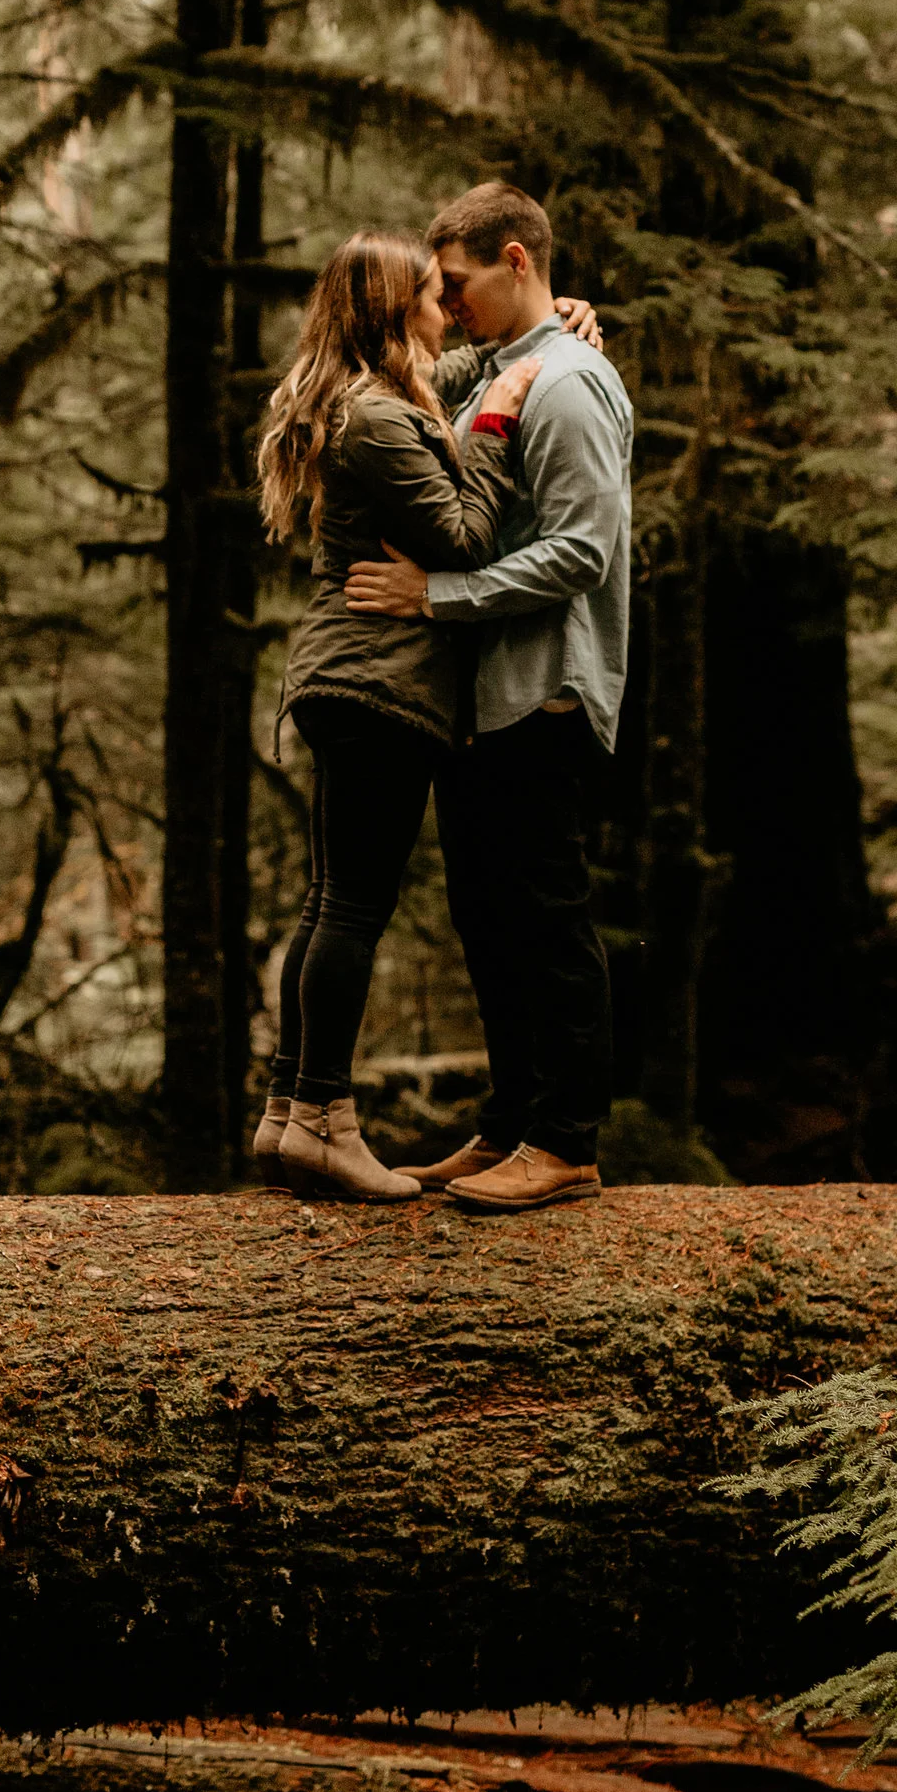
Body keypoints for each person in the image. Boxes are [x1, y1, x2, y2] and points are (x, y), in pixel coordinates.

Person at [344, 180, 631, 1213]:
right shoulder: (495, 373)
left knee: (544, 912)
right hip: (480, 696)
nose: (446, 301)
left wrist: (439, 596)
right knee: (487, 914)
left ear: (516, 261)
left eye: (458, 282)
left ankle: (567, 1140)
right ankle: (514, 1123)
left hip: (543, 688)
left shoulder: (565, 381)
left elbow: (585, 549)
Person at [254, 232, 546, 1201]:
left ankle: (288, 1114)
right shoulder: (378, 421)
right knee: (350, 905)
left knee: (330, 899)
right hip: (377, 678)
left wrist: (547, 330)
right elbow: (462, 535)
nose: (444, 306)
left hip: (351, 677)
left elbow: (453, 364)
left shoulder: (366, 399)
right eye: (430, 293)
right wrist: (496, 428)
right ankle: (327, 1120)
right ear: (392, 312)